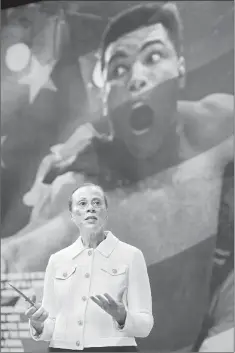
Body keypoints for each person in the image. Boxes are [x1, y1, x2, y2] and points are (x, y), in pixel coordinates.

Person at [3, 2, 234, 351]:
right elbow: (23, 253)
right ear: (105, 96)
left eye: (153, 58)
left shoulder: (217, 126)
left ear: (181, 69)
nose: (135, 77)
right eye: (118, 68)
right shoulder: (80, 180)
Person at [25, 183, 153, 352]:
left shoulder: (131, 255)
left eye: (97, 203)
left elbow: (145, 325)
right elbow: (51, 326)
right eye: (83, 203)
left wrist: (123, 317)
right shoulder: (57, 260)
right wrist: (38, 324)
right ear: (72, 215)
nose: (90, 208)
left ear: (106, 212)